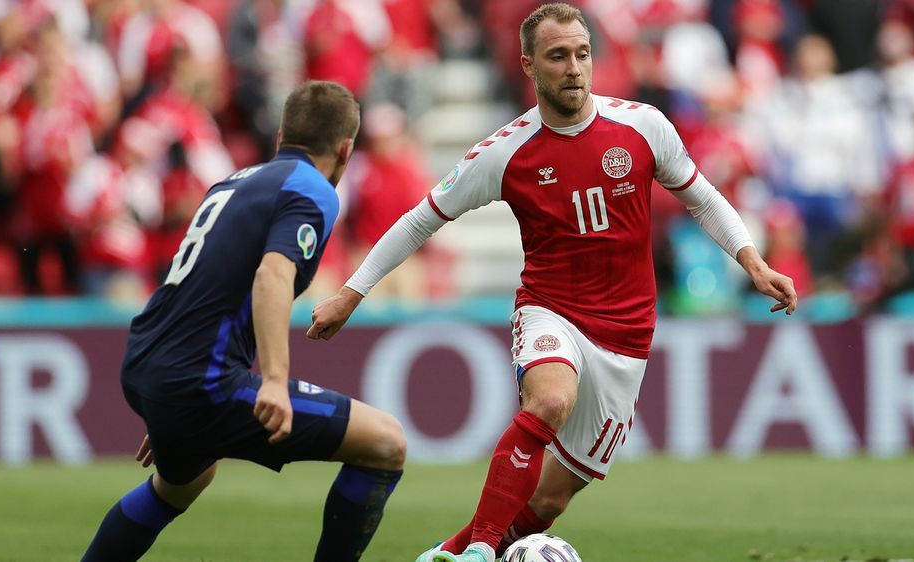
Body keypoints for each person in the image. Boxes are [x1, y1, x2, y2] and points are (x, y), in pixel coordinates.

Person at [309, 4, 797, 562]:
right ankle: (480, 553)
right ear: (528, 65)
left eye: (582, 54)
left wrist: (753, 263)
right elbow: (421, 219)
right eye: (558, 56)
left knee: (547, 500)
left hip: (627, 336)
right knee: (550, 399)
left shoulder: (643, 126)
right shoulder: (505, 152)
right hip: (551, 310)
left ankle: (448, 553)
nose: (573, 67)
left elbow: (703, 198)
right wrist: (351, 292)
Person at [81, 81, 407, 562]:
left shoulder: (233, 183)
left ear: (280, 137)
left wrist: (170, 398)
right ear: (345, 149)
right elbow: (272, 274)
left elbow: (197, 281)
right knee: (386, 444)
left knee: (184, 482)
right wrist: (273, 380)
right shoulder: (312, 190)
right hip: (195, 380)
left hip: (150, 362)